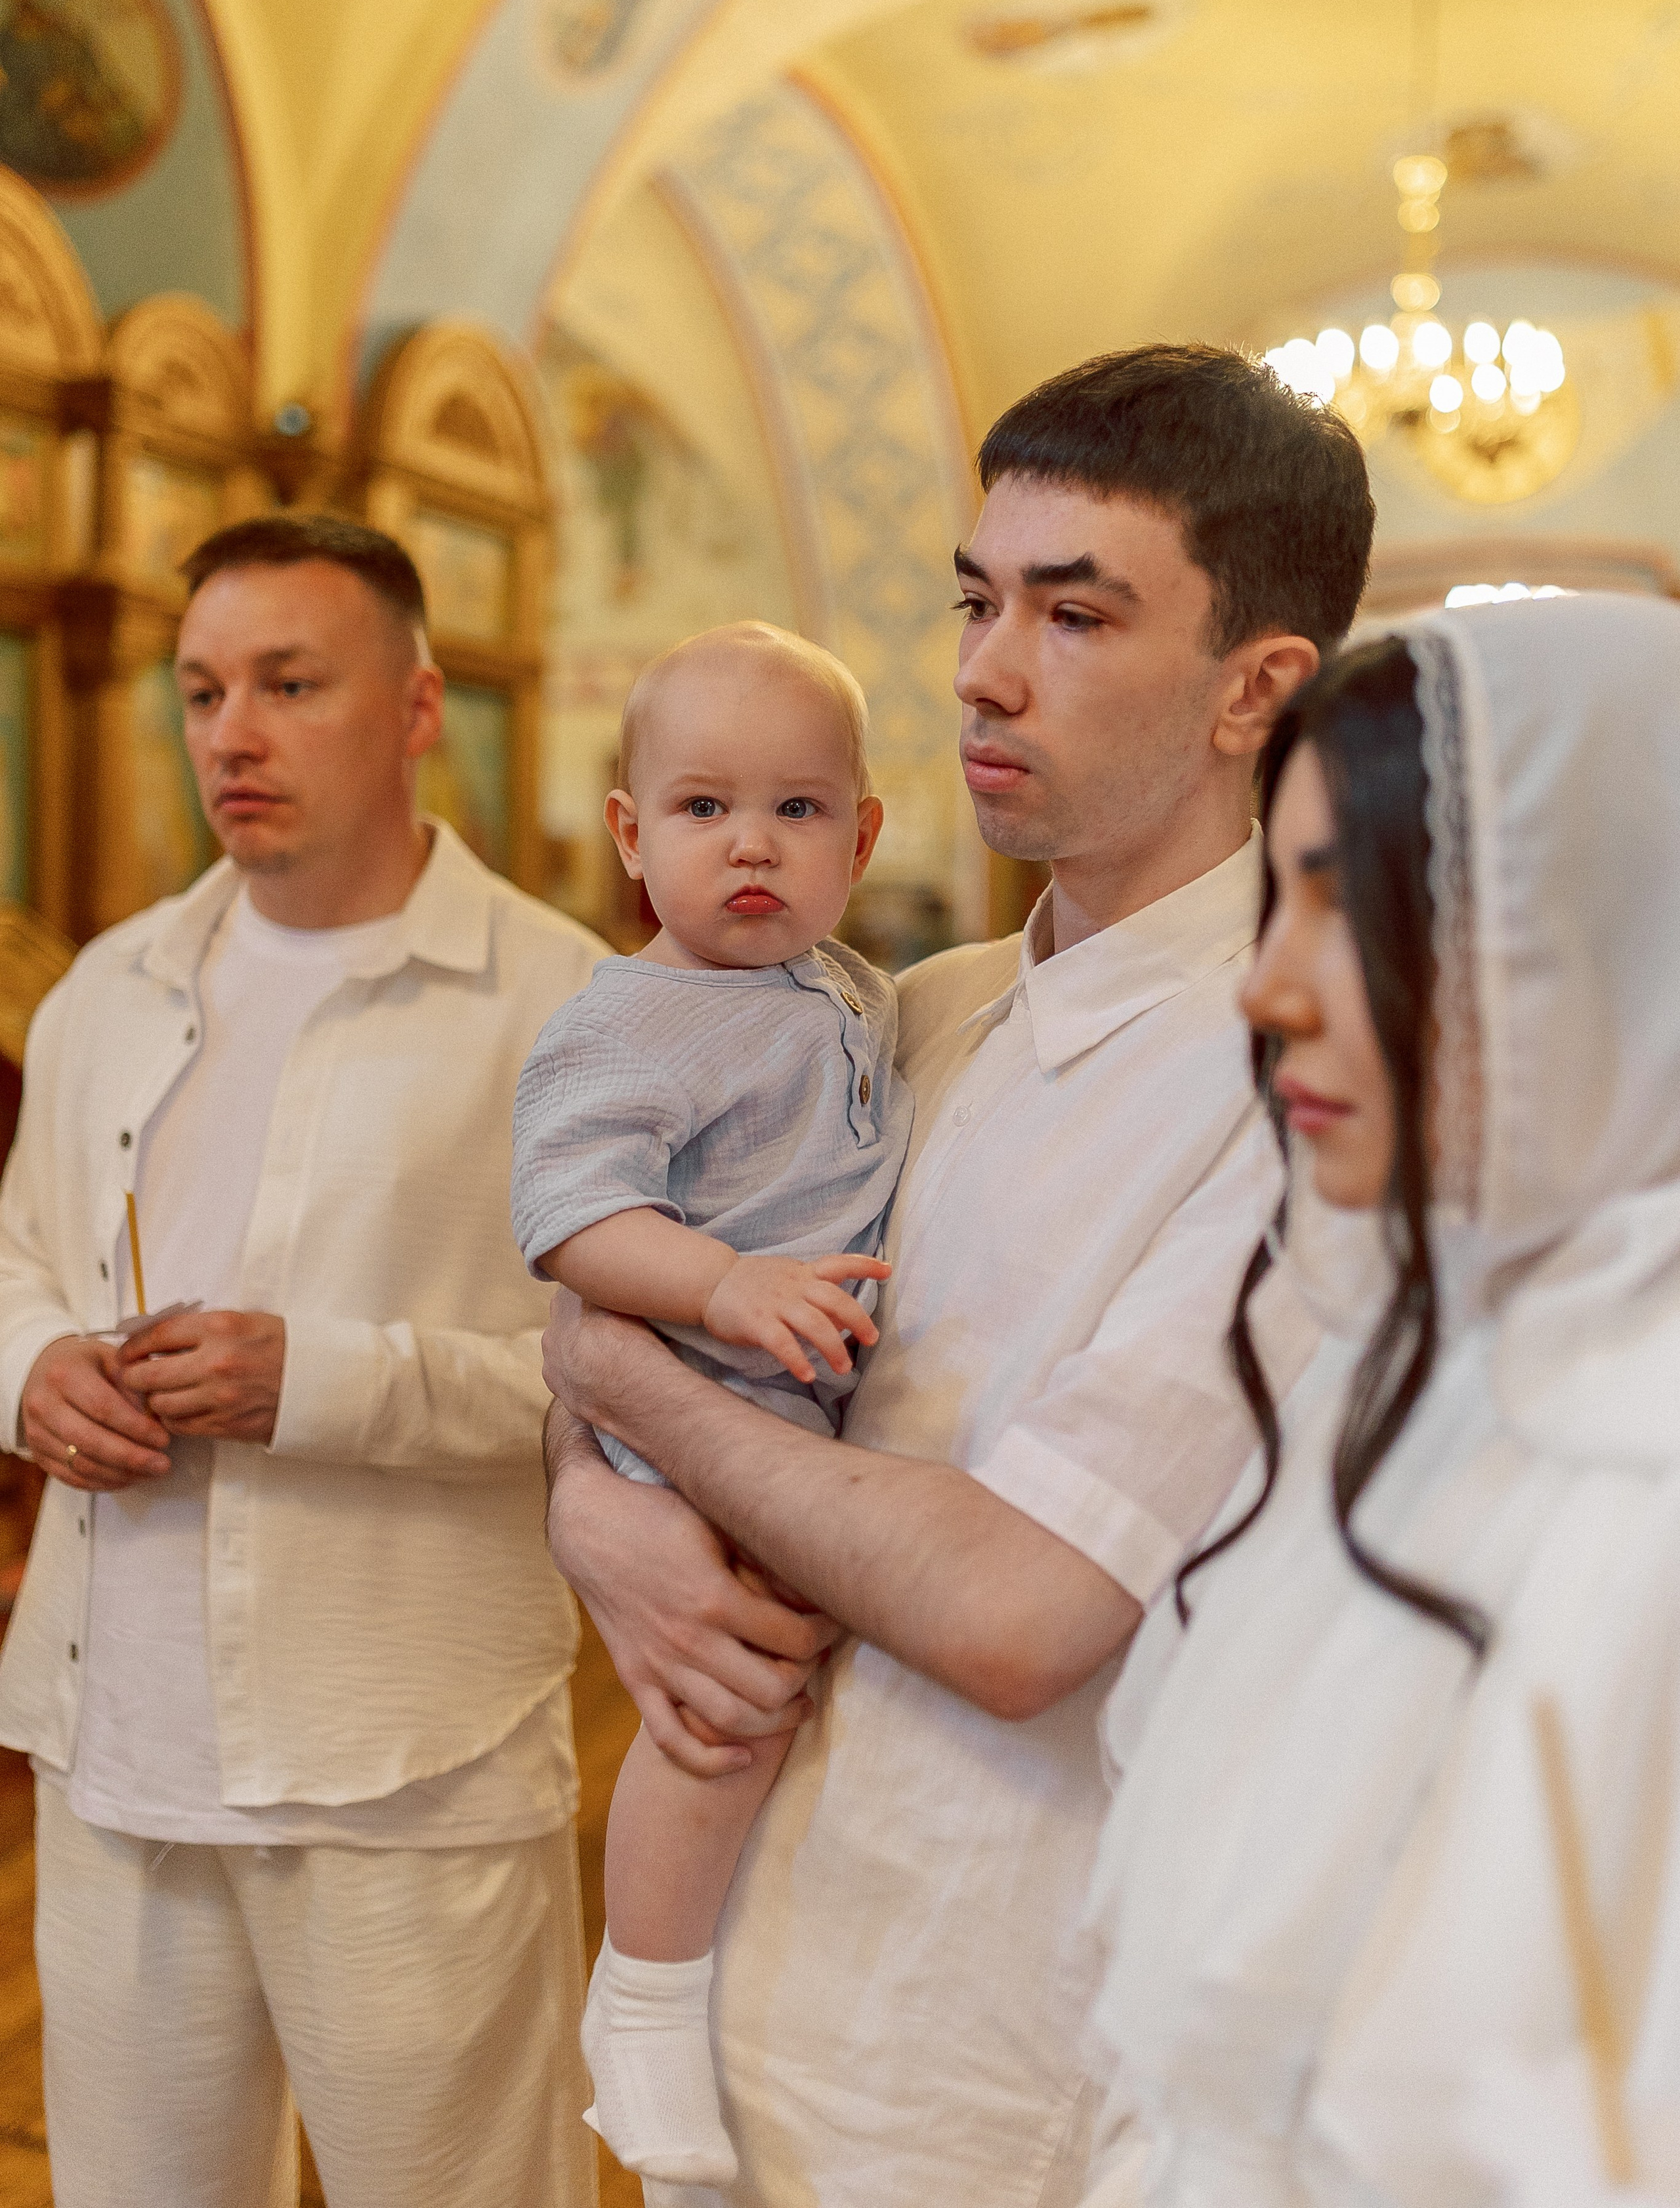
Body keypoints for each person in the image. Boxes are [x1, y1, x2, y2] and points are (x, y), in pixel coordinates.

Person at [543, 344, 1374, 2206]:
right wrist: (595, 1521)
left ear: (1259, 687)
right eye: (977, 597)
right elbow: (611, 1279)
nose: (985, 671)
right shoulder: (905, 1009)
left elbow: (1018, 1616)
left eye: (1078, 614)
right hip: (735, 1965)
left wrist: (629, 1394)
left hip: (987, 2044)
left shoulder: (1309, 1089)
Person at [0, 515, 607, 2208]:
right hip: (114, 1738)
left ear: (418, 710)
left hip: (406, 1751)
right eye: (201, 691)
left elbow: (616, 1382)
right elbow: (15, 1259)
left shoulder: (565, 1011)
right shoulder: (103, 989)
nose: (232, 736)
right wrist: (30, 1367)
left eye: (288, 684)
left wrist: (318, 1383)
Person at [1078, 593, 1680, 2208]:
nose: (1264, 990)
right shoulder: (1401, 1353)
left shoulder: (1644, 1484)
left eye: (1346, 910)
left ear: (1591, 932)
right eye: (1273, 903)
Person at [513, 621, 912, 2184]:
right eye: (701, 810)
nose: (751, 843)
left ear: (861, 836)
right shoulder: (620, 1021)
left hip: (802, 1421)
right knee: (710, 1724)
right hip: (696, 1403)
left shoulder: (866, 995)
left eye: (799, 811)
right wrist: (717, 1287)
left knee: (774, 1708)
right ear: (630, 834)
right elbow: (567, 1222)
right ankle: (646, 1999)